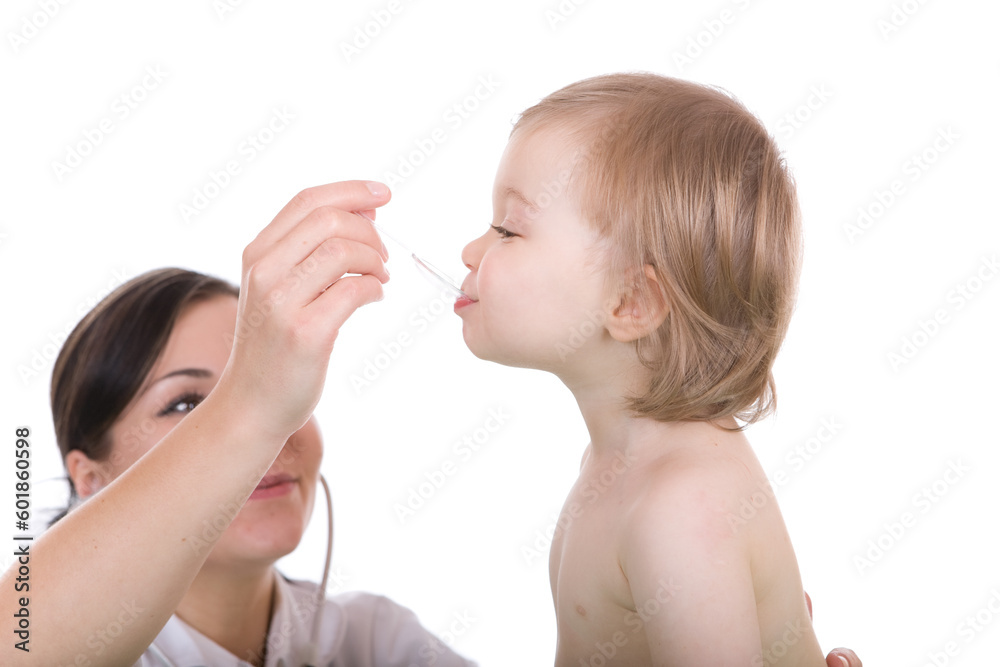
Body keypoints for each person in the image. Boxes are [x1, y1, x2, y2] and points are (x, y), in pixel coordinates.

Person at [454, 73, 862, 666]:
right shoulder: (617, 465)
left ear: (631, 304)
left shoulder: (678, 510)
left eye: (508, 230)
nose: (471, 251)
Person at [0, 182, 475, 666]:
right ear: (90, 476)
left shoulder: (378, 641)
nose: (269, 438)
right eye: (186, 404)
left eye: (272, 389)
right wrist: (248, 406)